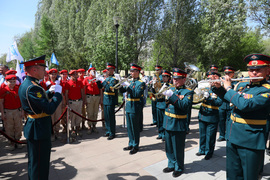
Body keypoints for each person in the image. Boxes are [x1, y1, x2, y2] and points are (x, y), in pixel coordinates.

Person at [212, 53, 270, 180]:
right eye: (251, 70)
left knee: (249, 176)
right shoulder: (243, 86)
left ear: (267, 70)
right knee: (232, 175)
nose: (254, 73)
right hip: (233, 136)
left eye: (258, 70)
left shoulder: (267, 90)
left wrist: (228, 88)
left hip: (250, 140)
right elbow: (231, 101)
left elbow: (245, 105)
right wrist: (219, 88)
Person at [18, 55, 62, 180]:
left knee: (34, 163)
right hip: (39, 129)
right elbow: (48, 109)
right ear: (35, 69)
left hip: (36, 127)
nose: (45, 71)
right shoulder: (33, 87)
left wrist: (49, 93)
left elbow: (36, 101)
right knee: (40, 164)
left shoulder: (29, 84)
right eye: (43, 68)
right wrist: (58, 95)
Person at [161, 68, 193, 178]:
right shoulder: (171, 89)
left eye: (178, 79)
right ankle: (171, 164)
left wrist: (172, 96)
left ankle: (179, 167)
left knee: (178, 148)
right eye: (174, 78)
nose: (174, 81)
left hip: (178, 124)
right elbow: (163, 102)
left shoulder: (188, 92)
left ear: (184, 79)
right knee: (168, 147)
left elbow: (184, 107)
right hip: (168, 122)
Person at [196, 72, 222, 160]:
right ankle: (202, 149)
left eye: (212, 79)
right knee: (202, 134)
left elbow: (219, 102)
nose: (210, 81)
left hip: (212, 116)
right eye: (209, 79)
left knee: (210, 136)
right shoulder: (204, 88)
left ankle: (209, 152)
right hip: (203, 114)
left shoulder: (219, 90)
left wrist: (209, 98)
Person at [120, 63, 146, 154]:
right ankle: (130, 143)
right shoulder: (130, 81)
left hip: (135, 106)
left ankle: (135, 145)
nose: (131, 73)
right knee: (129, 127)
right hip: (129, 105)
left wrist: (129, 86)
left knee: (135, 127)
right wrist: (121, 84)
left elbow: (136, 94)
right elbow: (122, 91)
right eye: (130, 71)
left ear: (137, 72)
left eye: (132, 71)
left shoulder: (141, 83)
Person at [0, 75, 24, 150]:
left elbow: (22, 101)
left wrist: (22, 111)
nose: (12, 83)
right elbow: (1, 103)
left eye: (14, 81)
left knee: (18, 126)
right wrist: (2, 114)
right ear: (6, 82)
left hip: (17, 110)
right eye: (10, 82)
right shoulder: (3, 90)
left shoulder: (18, 89)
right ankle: (11, 142)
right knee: (9, 127)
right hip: (8, 111)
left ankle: (17, 140)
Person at [96, 63, 118, 140]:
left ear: (112, 70)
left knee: (111, 116)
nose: (107, 71)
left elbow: (109, 88)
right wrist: (98, 81)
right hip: (106, 99)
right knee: (106, 117)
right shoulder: (108, 78)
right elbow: (101, 87)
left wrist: (104, 81)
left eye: (109, 69)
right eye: (107, 69)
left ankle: (112, 132)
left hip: (110, 99)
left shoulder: (114, 79)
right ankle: (108, 130)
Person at [217, 66, 237, 142]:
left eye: (229, 73)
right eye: (226, 73)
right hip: (223, 104)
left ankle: (228, 135)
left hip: (231, 104)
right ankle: (222, 135)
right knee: (221, 120)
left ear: (233, 73)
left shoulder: (236, 82)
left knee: (229, 121)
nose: (227, 74)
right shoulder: (222, 81)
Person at [65, 70, 85, 137]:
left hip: (79, 101)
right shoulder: (68, 83)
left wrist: (83, 100)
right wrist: (67, 103)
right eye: (73, 75)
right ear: (70, 76)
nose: (75, 76)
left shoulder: (80, 82)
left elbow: (82, 92)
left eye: (76, 74)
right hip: (72, 102)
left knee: (79, 115)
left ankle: (78, 128)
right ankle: (73, 129)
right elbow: (66, 94)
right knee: (73, 116)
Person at [83, 67, 102, 134]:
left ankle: (94, 126)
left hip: (97, 97)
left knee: (95, 112)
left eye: (94, 71)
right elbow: (84, 89)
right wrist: (84, 99)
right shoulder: (86, 79)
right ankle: (89, 126)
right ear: (89, 72)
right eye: (92, 71)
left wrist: (101, 99)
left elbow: (100, 89)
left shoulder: (98, 79)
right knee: (90, 112)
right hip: (89, 97)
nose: (93, 72)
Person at [47, 68, 63, 141]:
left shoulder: (59, 83)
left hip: (58, 101)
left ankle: (57, 132)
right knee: (51, 118)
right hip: (50, 101)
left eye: (55, 74)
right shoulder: (46, 83)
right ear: (49, 75)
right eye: (52, 74)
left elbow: (61, 93)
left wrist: (63, 102)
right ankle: (52, 133)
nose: (53, 76)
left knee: (58, 117)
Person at [156, 70, 171, 140]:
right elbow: (155, 92)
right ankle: (160, 133)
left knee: (164, 121)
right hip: (158, 104)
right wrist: (153, 86)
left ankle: (164, 134)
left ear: (168, 77)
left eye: (165, 76)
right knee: (159, 121)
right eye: (163, 76)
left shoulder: (170, 86)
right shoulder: (159, 84)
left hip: (164, 104)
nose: (163, 78)